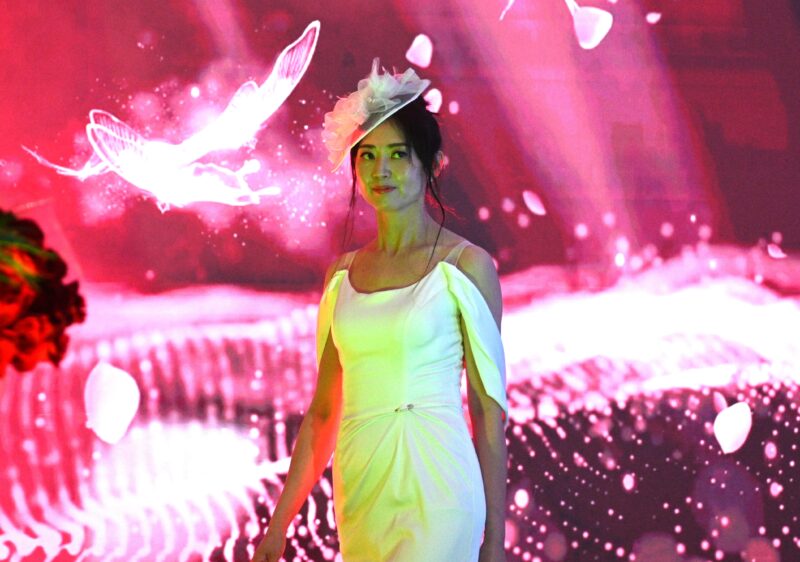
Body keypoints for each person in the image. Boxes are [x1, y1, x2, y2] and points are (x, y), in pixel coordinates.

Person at [252, 59, 508, 562]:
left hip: (438, 480)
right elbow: (323, 412)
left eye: (397, 155)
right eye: (367, 156)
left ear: (432, 164)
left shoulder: (465, 266)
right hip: (362, 480)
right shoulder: (341, 275)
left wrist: (494, 542)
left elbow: (487, 408)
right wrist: (278, 525)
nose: (380, 170)